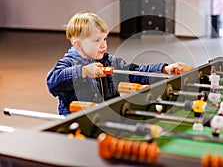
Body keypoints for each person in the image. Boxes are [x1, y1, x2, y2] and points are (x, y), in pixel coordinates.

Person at [46, 12, 184, 115]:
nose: (103, 45)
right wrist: (84, 71)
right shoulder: (68, 63)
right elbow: (53, 82)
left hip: (108, 118)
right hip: (79, 124)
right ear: (78, 45)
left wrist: (164, 69)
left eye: (105, 39)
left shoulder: (111, 61)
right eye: (97, 40)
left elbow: (136, 73)